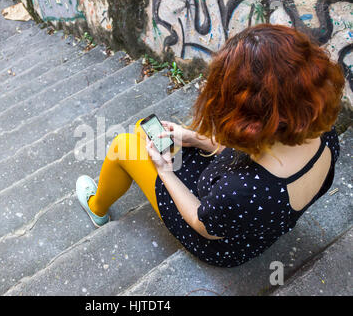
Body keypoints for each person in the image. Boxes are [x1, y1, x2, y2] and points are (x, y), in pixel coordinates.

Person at [75, 24, 345, 267]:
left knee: (124, 145)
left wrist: (166, 172)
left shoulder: (241, 190)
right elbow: (260, 153)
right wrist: (193, 138)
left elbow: (201, 224)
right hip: (249, 215)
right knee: (143, 132)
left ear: (252, 124)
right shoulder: (320, 131)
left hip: (219, 240)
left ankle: (97, 207)